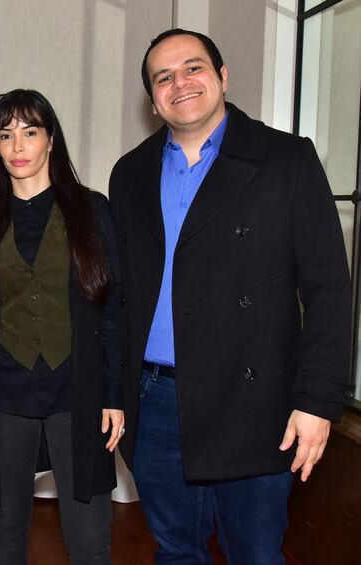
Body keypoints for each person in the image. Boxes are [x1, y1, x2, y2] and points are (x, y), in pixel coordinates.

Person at [109, 29, 353, 564]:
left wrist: (317, 401)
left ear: (222, 77)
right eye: (163, 77)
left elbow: (330, 288)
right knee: (175, 550)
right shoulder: (129, 173)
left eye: (193, 68)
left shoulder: (287, 158)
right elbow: (120, 295)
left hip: (256, 404)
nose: (181, 83)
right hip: (155, 402)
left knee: (256, 554)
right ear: (152, 99)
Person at [0, 89, 124, 564]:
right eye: (5, 136)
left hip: (78, 391)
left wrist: (114, 393)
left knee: (89, 532)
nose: (17, 146)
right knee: (7, 528)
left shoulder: (92, 210)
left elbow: (113, 308)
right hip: (3, 394)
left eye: (30, 132)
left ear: (51, 140)